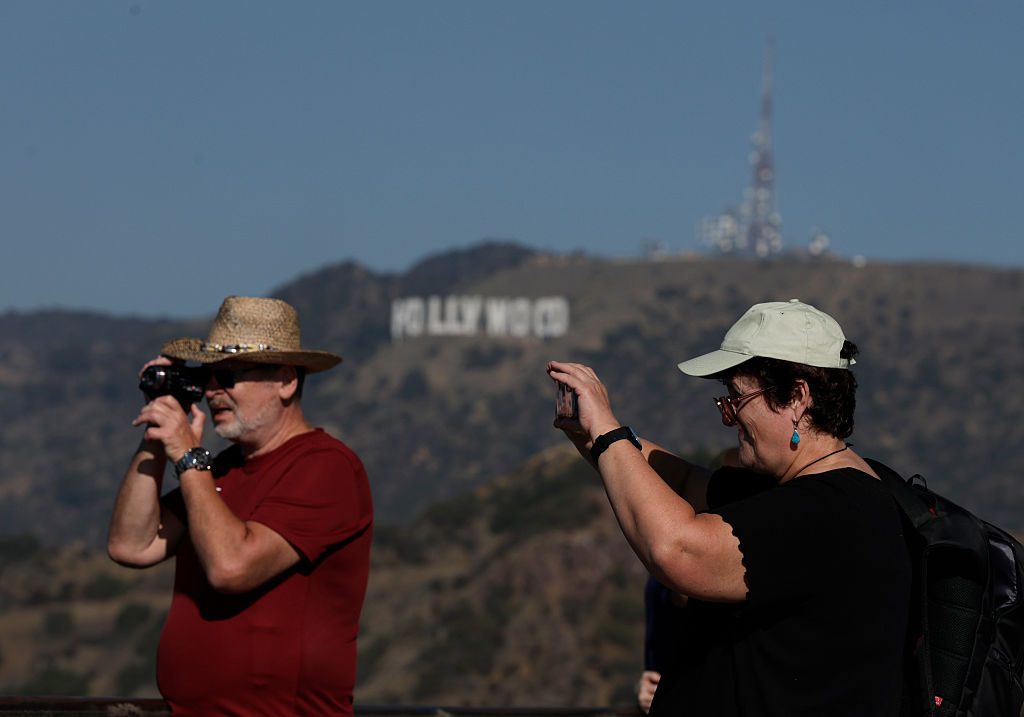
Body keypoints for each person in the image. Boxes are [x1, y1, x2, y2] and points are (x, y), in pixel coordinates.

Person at [549, 299, 911, 716]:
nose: (728, 418)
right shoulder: (796, 492)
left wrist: (608, 433)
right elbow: (682, 482)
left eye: (738, 399)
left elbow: (678, 551)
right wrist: (591, 433)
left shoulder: (830, 511)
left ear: (797, 397)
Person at [107, 296, 373, 716]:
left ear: (286, 381)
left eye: (229, 376)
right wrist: (158, 437)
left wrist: (189, 457)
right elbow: (131, 545)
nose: (213, 391)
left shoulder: (327, 466)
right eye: (207, 377)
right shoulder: (219, 471)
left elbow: (232, 568)